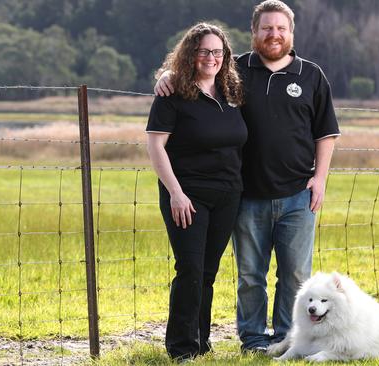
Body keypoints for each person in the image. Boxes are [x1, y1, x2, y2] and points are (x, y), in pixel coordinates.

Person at [154, 0, 340, 354]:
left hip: (299, 194)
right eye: (266, 28)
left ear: (291, 32)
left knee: (296, 277)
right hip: (247, 195)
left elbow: (325, 133)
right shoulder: (234, 70)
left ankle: (288, 339)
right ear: (254, 32)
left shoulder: (311, 75)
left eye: (281, 28)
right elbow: (197, 73)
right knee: (250, 277)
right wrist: (168, 77)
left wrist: (321, 179)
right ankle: (253, 341)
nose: (274, 35)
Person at [146, 22, 247, 361]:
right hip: (187, 195)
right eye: (204, 51)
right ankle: (181, 348)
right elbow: (156, 147)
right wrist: (175, 192)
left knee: (207, 271)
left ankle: (201, 341)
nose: (211, 58)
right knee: (189, 268)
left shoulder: (231, 92)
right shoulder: (172, 93)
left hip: (228, 194)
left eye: (217, 52)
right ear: (190, 54)